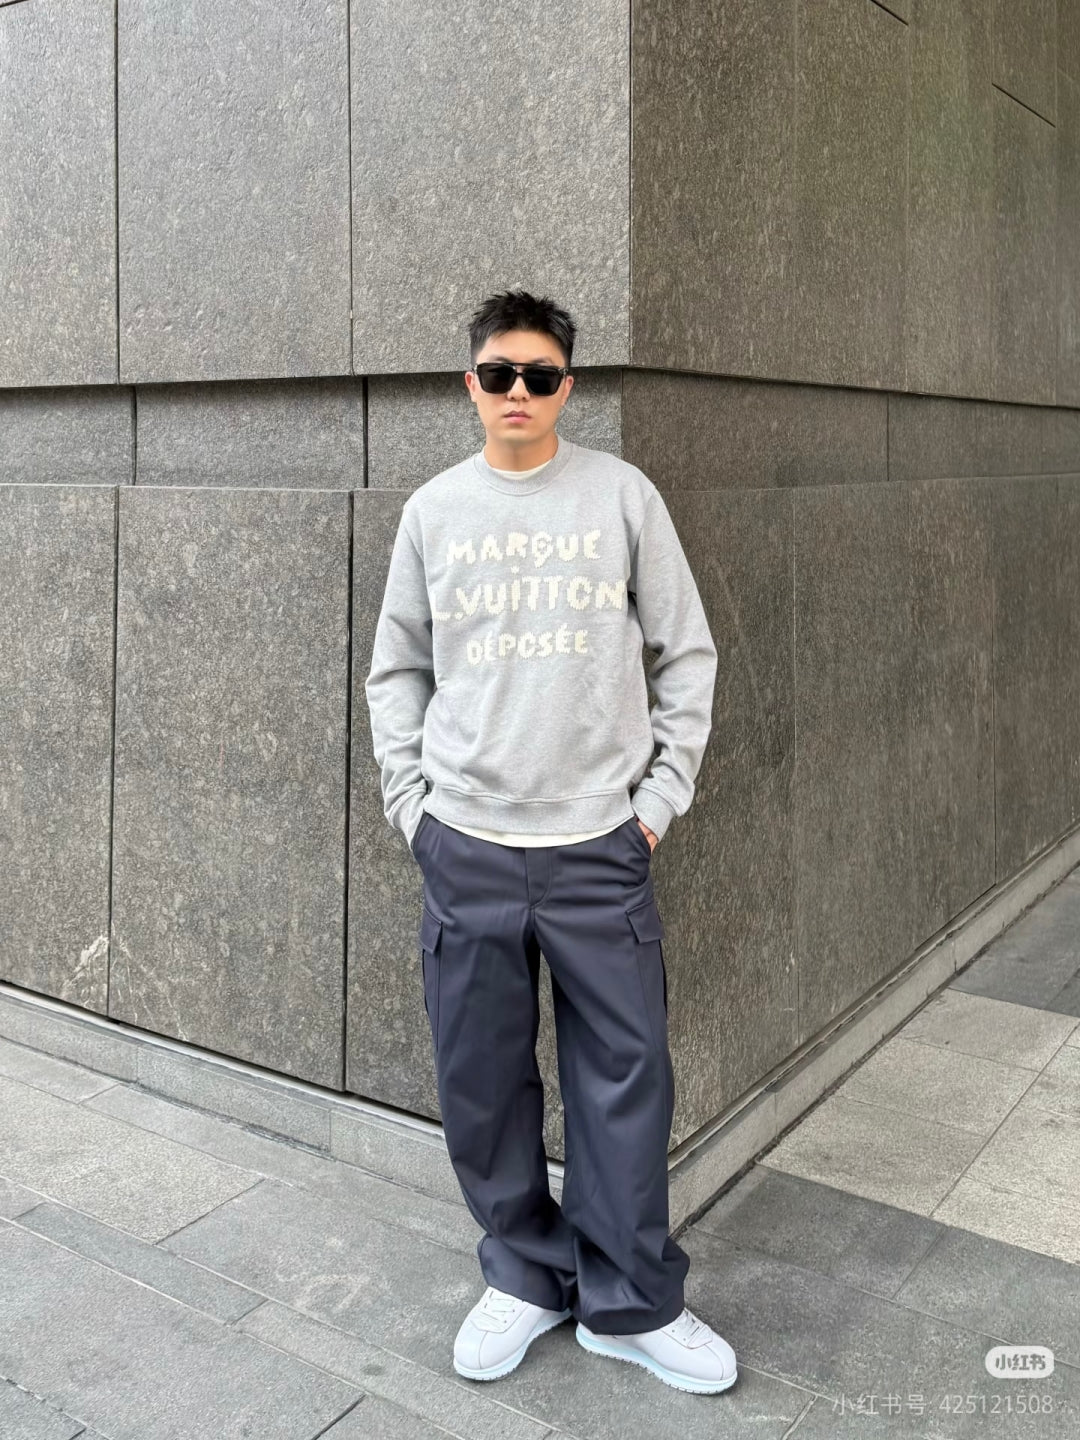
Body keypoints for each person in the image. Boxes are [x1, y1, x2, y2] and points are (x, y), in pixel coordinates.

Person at [364, 287, 737, 1396]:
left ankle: (631, 1302)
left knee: (625, 1079)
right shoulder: (434, 511)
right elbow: (397, 669)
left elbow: (687, 654)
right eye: (498, 374)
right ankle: (525, 1277)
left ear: (567, 386)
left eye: (538, 375)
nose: (517, 392)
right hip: (466, 844)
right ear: (470, 385)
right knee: (481, 1080)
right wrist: (413, 808)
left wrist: (658, 801)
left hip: (598, 846)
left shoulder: (622, 496)